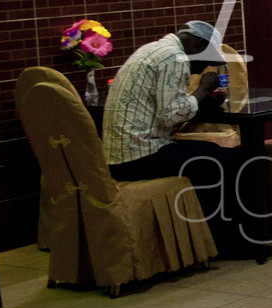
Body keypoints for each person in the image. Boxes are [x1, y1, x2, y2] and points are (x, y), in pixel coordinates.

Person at [103, 20, 263, 260]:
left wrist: (198, 102)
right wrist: (202, 90)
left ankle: (214, 237)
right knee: (227, 162)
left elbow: (164, 109)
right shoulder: (174, 58)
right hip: (140, 156)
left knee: (210, 151)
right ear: (199, 45)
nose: (199, 71)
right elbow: (172, 115)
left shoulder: (154, 49)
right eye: (204, 61)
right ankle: (233, 243)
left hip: (122, 155)